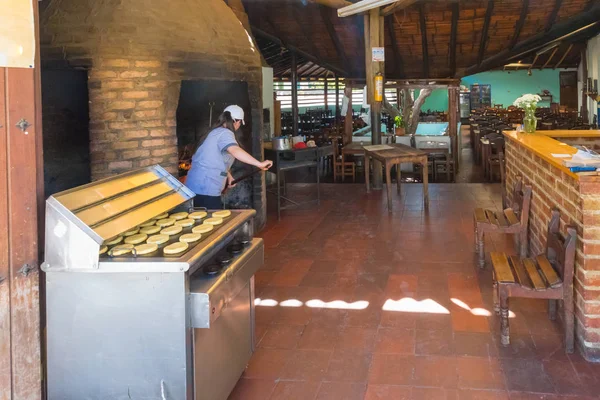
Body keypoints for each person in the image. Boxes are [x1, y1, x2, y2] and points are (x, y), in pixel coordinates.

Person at [185, 105, 273, 209]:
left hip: (196, 187)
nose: (239, 126)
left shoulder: (215, 132)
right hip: (205, 188)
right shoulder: (225, 133)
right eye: (240, 123)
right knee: (213, 222)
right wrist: (259, 164)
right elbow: (235, 150)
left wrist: (229, 176)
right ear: (237, 121)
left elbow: (216, 159)